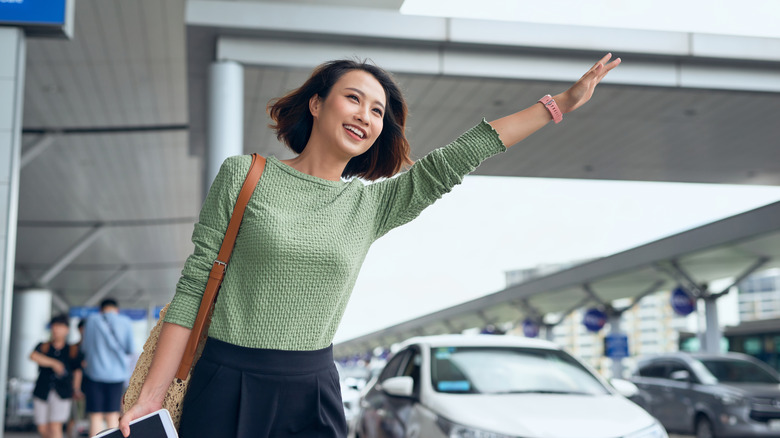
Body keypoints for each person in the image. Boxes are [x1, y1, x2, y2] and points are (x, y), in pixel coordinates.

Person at [120, 53, 621, 437]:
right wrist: (152, 396)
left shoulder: (371, 206)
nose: (365, 115)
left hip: (312, 388)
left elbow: (456, 159)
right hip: (227, 381)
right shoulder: (244, 175)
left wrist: (558, 105)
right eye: (353, 98)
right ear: (316, 103)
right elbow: (192, 287)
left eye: (378, 110)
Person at [81, 299, 134, 436]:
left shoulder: (92, 320)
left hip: (94, 374)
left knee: (95, 416)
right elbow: (130, 349)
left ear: (101, 310)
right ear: (117, 310)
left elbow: (85, 347)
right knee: (112, 414)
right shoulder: (125, 322)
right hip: (117, 376)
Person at [29, 314, 84, 438]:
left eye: (60, 326)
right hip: (42, 390)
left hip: (63, 391)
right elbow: (33, 356)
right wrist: (54, 363)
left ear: (66, 329)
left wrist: (76, 389)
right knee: (42, 427)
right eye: (54, 326)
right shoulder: (44, 346)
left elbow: (77, 371)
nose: (56, 330)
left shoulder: (72, 349)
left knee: (55, 425)